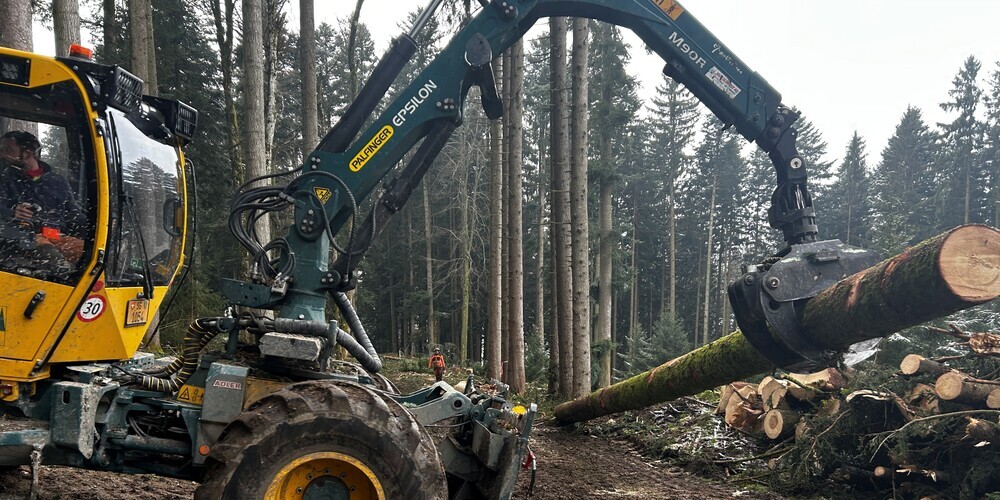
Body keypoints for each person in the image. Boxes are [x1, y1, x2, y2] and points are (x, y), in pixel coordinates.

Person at [0, 130, 85, 271]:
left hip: (58, 237)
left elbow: (74, 213)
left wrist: (100, 224)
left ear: (26, 154)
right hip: (22, 238)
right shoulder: (4, 177)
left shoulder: (57, 182)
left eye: (6, 149)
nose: (1, 154)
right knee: (55, 262)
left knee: (92, 255)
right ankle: (61, 269)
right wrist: (11, 211)